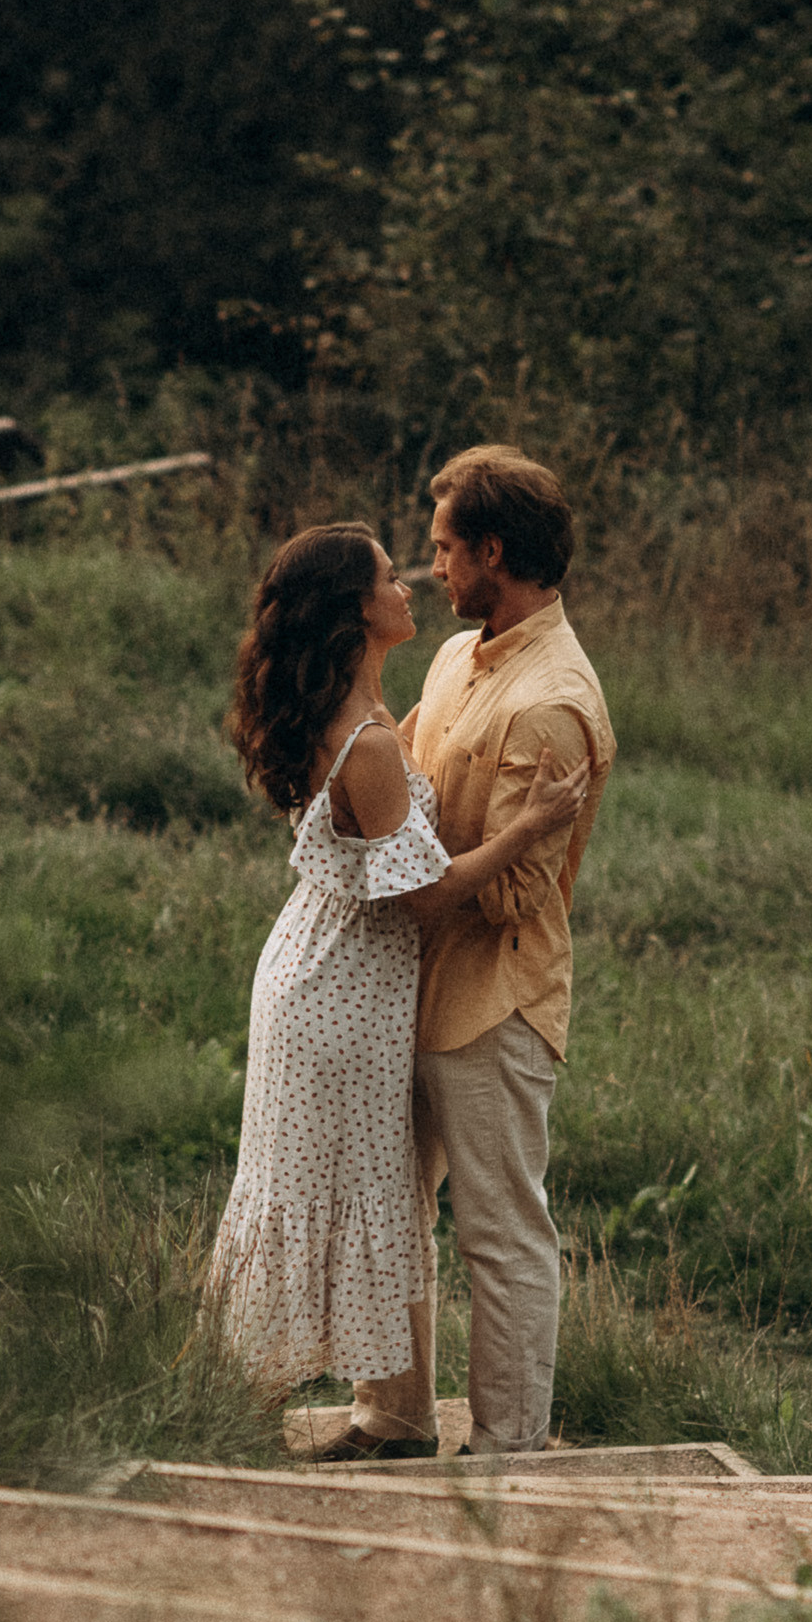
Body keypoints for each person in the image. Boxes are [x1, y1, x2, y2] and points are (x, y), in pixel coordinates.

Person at [209, 522, 589, 1447]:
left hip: (325, 970)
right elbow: (422, 895)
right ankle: (240, 1412)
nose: (410, 583)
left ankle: (334, 1414)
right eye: (389, 576)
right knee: (321, 1190)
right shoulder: (368, 742)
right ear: (355, 610)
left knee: (321, 1189)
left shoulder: (367, 714)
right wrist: (530, 826)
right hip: (340, 986)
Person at [345, 446, 614, 1460]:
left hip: (492, 999)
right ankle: (391, 1418)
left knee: (497, 1231)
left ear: (492, 552)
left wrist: (403, 848)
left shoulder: (549, 702)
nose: (431, 568)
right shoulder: (459, 657)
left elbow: (507, 894)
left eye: (444, 548)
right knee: (388, 1211)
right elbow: (395, 778)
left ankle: (507, 1447)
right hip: (406, 984)